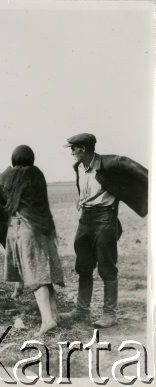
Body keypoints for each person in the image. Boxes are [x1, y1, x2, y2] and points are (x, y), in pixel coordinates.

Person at [62, 133, 148, 328]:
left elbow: (134, 168)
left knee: (107, 268)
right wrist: (81, 199)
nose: (72, 152)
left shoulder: (110, 163)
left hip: (105, 219)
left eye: (74, 148)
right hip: (85, 219)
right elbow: (86, 188)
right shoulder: (78, 167)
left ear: (83, 148)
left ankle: (110, 314)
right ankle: (82, 311)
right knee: (83, 265)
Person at [0, 145, 64, 335]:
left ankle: (47, 320)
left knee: (35, 277)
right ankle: (55, 315)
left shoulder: (13, 174)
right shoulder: (37, 173)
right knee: (44, 275)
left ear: (14, 159)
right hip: (42, 229)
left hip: (26, 230)